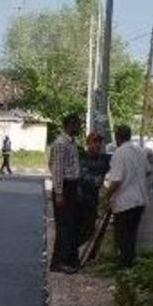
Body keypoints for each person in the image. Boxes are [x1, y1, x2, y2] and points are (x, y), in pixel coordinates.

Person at [103, 124, 150, 268]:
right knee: (132, 236)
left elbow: (116, 180)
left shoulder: (119, 153)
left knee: (122, 237)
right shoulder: (140, 151)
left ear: (117, 137)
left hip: (124, 202)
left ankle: (123, 267)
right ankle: (129, 268)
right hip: (140, 200)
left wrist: (105, 196)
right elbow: (148, 171)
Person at [48, 114, 83, 273]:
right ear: (69, 124)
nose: (79, 127)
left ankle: (68, 259)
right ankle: (58, 262)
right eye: (77, 123)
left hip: (72, 186)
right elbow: (56, 169)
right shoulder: (61, 144)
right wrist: (59, 192)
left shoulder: (71, 143)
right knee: (64, 226)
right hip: (65, 187)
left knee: (71, 225)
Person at [77, 132, 110, 247]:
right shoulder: (81, 157)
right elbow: (82, 175)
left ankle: (72, 254)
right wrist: (96, 180)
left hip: (93, 201)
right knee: (77, 230)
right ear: (88, 143)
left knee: (89, 230)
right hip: (79, 200)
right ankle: (70, 256)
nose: (97, 145)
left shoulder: (104, 159)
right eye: (94, 142)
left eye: (99, 142)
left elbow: (121, 159)